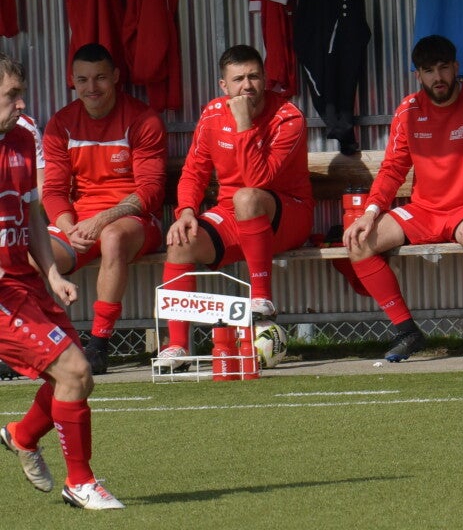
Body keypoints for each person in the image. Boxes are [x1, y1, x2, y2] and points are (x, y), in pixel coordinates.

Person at [0, 53, 125, 509]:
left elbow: (32, 213)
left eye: (21, 93)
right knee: (74, 371)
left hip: (24, 281)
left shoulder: (23, 135)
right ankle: (81, 483)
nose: (22, 103)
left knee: (76, 378)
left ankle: (22, 434)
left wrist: (52, 274)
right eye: (12, 94)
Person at [344, 36, 463, 363]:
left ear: (456, 68)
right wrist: (370, 213)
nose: (438, 77)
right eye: (429, 71)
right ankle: (407, 332)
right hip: (424, 210)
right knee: (358, 242)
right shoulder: (408, 110)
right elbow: (393, 168)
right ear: (418, 74)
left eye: (444, 68)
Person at [156, 44, 314, 366]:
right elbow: (193, 172)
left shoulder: (288, 118)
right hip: (233, 214)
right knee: (180, 240)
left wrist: (244, 124)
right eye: (238, 79)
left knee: (247, 197)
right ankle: (178, 347)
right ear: (223, 85)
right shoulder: (212, 113)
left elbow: (258, 180)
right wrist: (186, 211)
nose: (247, 86)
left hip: (287, 215)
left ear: (265, 79)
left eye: (254, 76)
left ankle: (262, 300)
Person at [41, 45, 167, 374]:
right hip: (80, 225)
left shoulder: (143, 119)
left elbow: (151, 191)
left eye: (100, 78)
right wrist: (68, 228)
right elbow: (53, 191)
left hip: (133, 221)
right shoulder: (60, 124)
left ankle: (98, 345)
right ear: (72, 81)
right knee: (27, 255)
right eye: (83, 80)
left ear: (115, 77)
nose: (91, 87)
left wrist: (102, 219)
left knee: (111, 236)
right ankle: (38, 345)